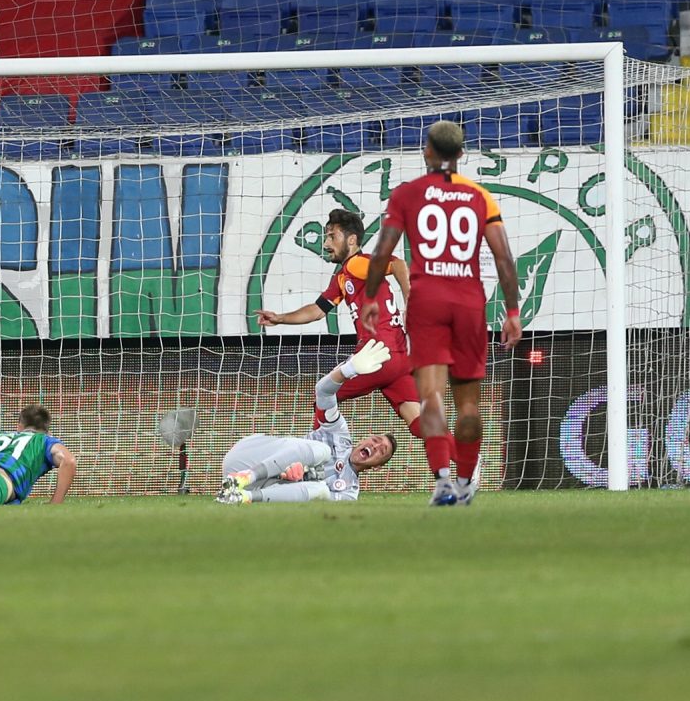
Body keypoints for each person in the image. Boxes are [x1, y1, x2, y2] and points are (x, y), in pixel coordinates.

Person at [361, 120, 522, 507]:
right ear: (461, 154)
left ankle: (443, 483)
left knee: (431, 398)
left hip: (427, 300)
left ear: (427, 152)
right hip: (468, 301)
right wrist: (512, 310)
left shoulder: (407, 194)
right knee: (469, 405)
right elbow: (504, 258)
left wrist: (370, 297)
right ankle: (467, 481)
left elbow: (383, 251)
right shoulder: (479, 196)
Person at [254, 208, 445, 457]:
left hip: (375, 356)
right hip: (397, 360)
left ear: (351, 240)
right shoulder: (343, 276)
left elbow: (396, 264)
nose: (325, 244)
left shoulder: (358, 264)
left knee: (324, 395)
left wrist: (411, 301)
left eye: (332, 236)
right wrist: (281, 319)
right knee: (419, 422)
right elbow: (318, 309)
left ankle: (314, 462)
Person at [216, 340, 397, 504]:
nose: (374, 446)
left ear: (378, 467)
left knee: (320, 491)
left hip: (262, 490)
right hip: (248, 458)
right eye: (375, 440)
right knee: (322, 450)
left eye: (382, 450)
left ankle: (240, 497)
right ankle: (245, 477)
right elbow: (323, 391)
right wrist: (348, 369)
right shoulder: (338, 433)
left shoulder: (349, 493)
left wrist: (295, 477)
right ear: (364, 439)